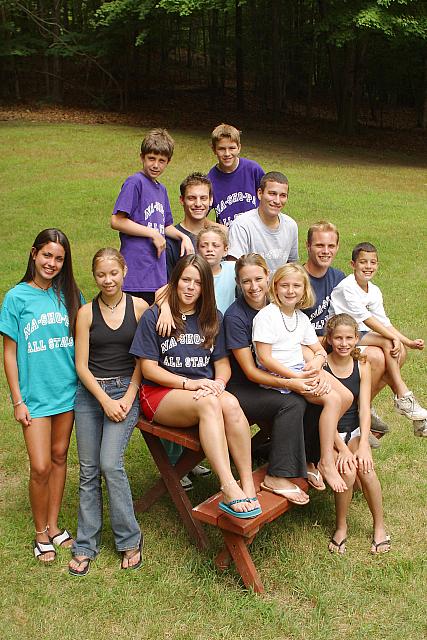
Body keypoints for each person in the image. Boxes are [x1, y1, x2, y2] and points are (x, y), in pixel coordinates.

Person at [130, 254, 262, 518]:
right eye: (185, 280)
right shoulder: (156, 316)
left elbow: (222, 364)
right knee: (209, 403)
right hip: (161, 393)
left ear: (205, 287)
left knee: (231, 404)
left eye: (198, 282)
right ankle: (228, 486)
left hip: (201, 388)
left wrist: (219, 384)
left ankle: (247, 483)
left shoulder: (212, 317)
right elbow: (148, 369)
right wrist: (190, 384)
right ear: (175, 281)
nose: (191, 287)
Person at [0, 229, 82, 562]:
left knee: (60, 456)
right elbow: (9, 353)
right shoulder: (16, 297)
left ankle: (53, 525)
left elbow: (87, 335)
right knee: (40, 465)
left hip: (67, 391)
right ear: (34, 254)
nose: (52, 263)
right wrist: (17, 400)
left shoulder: (71, 295)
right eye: (47, 255)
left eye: (59, 258)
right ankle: (39, 533)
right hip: (35, 397)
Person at [68, 248, 148, 577]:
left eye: (113, 273)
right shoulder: (86, 313)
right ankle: (86, 543)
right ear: (94, 276)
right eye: (101, 275)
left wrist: (128, 396)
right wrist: (104, 400)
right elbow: (81, 366)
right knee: (88, 470)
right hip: (91, 395)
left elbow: (144, 359)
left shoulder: (139, 308)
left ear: (124, 271)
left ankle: (129, 538)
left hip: (126, 391)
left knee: (110, 464)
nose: (108, 280)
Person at [224, 254, 329, 503]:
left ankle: (307, 460)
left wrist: (316, 369)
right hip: (243, 387)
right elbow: (251, 371)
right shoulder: (236, 317)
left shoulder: (281, 303)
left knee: (314, 397)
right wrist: (292, 382)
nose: (253, 286)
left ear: (268, 277)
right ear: (238, 283)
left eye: (258, 279)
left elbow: (299, 344)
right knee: (292, 403)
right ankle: (277, 475)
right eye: (246, 281)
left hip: (278, 376)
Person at [252, 263, 352, 493]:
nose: (290, 291)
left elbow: (318, 350)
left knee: (346, 396)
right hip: (278, 376)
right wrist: (297, 377)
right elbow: (265, 358)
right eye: (284, 285)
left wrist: (317, 364)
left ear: (304, 289)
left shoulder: (300, 318)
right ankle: (325, 460)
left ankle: (318, 447)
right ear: (275, 287)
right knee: (332, 400)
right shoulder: (267, 316)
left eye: (296, 286)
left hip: (301, 370)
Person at [302, 222, 390, 439]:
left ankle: (360, 412)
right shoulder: (298, 279)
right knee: (375, 355)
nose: (326, 251)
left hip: (337, 340)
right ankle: (353, 419)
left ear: (338, 247)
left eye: (331, 246)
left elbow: (352, 320)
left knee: (381, 355)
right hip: (310, 347)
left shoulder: (338, 278)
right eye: (319, 245)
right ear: (308, 246)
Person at [330, 242, 427, 432]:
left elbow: (384, 322)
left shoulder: (374, 290)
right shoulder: (347, 287)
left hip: (358, 333)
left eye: (372, 262)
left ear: (377, 265)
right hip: (340, 333)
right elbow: (368, 319)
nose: (368, 266)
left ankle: (366, 405)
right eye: (363, 262)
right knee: (387, 341)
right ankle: (402, 395)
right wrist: (393, 338)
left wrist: (407, 342)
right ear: (352, 264)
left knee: (400, 352)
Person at [323, 314, 390, 555]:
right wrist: (341, 449)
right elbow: (321, 415)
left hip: (354, 431)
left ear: (356, 338)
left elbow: (364, 408)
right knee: (348, 472)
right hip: (330, 434)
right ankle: (341, 527)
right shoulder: (323, 366)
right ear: (329, 339)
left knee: (367, 470)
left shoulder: (361, 365)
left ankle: (379, 527)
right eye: (338, 338)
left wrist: (362, 445)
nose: (344, 343)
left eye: (349, 338)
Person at [111, 128, 194, 305]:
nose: (156, 165)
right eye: (151, 158)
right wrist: (152, 233)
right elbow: (117, 220)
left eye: (161, 161)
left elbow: (165, 226)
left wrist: (183, 236)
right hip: (136, 273)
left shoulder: (161, 189)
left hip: (156, 274)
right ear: (142, 157)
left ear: (168, 162)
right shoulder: (135, 182)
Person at [227, 172, 298, 272]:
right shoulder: (241, 225)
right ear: (260, 193)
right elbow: (233, 269)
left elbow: (292, 266)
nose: (277, 201)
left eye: (283, 195)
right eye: (272, 194)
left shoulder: (291, 226)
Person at [207, 123, 265, 227]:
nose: (227, 153)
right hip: (228, 234)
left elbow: (269, 200)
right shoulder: (210, 180)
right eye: (221, 149)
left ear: (239, 148)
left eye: (232, 148)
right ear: (214, 150)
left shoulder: (253, 170)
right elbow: (198, 217)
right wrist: (221, 228)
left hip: (255, 231)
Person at [166, 172, 213, 278]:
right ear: (182, 200)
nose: (198, 204)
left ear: (211, 200)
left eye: (203, 198)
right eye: (192, 198)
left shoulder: (217, 238)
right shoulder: (171, 242)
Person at [197, 226, 236, 315]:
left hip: (228, 320)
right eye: (203, 246)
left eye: (216, 245)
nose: (209, 249)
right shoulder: (192, 273)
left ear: (225, 250)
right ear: (198, 251)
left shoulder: (233, 268)